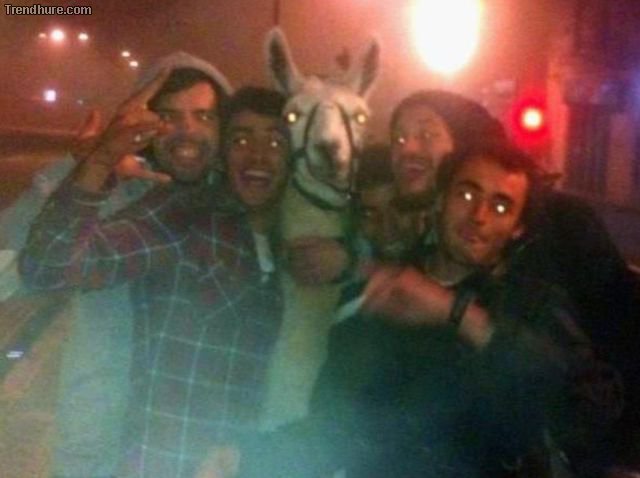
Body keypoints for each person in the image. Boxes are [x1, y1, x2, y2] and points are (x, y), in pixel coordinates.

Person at [19, 85, 290, 478]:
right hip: (163, 461)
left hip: (253, 460)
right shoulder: (184, 216)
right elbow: (48, 267)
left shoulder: (301, 243)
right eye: (241, 139)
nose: (258, 155)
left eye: (276, 142)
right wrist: (99, 163)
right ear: (222, 151)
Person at [0, 51, 232, 478]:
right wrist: (88, 166)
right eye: (169, 116)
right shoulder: (112, 193)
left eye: (204, 116)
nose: (188, 131)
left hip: (200, 448)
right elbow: (15, 262)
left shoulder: (242, 203)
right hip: (100, 441)